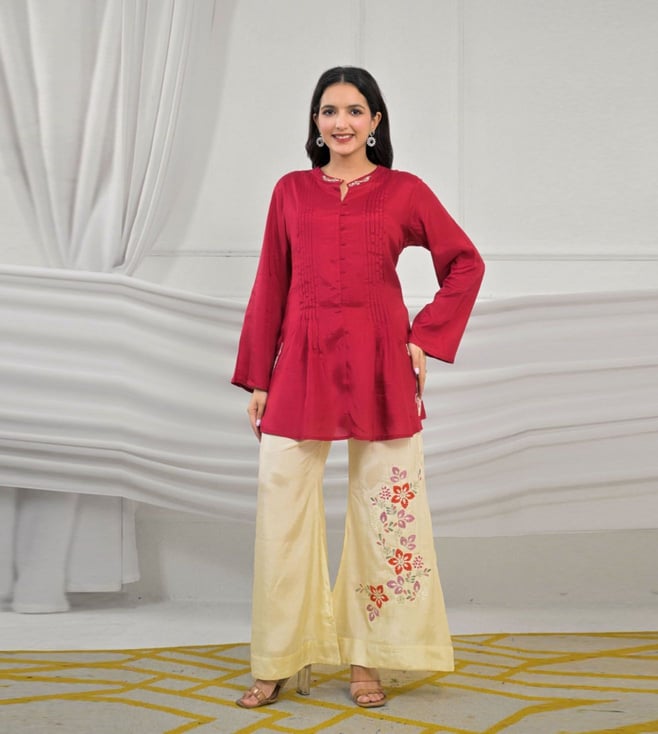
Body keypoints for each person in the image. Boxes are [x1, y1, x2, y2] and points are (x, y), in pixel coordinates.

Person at [231, 66, 484, 709]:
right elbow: (270, 284)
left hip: (380, 365)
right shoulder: (291, 191)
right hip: (301, 363)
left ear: (375, 121)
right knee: (282, 512)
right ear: (316, 123)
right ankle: (278, 657)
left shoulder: (404, 191)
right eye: (328, 111)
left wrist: (423, 337)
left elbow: (464, 263)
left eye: (353, 111)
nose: (340, 123)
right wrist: (258, 378)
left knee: (384, 514)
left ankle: (368, 656)